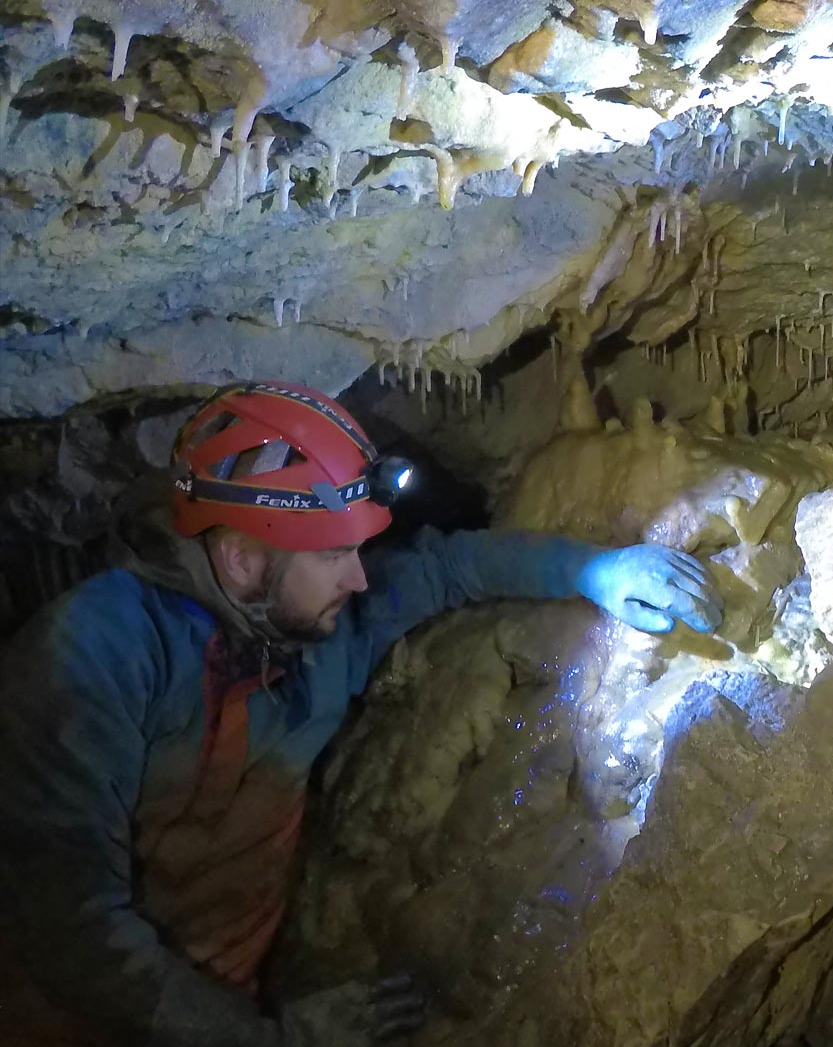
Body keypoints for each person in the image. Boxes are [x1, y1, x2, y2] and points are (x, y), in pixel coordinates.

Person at [0, 382, 721, 1046]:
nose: (359, 575)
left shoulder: (319, 627)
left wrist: (592, 570)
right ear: (244, 558)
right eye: (335, 554)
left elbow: (450, 568)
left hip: (229, 994)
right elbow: (69, 928)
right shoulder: (94, 654)